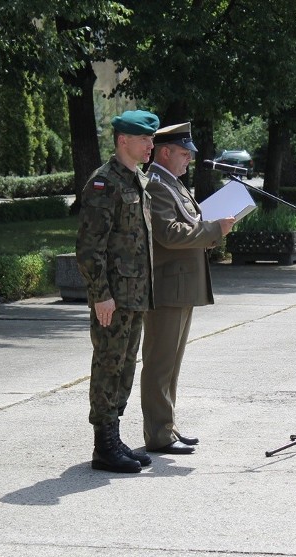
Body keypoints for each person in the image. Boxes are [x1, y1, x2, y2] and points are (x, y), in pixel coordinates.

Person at [140, 122, 235, 454]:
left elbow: (188, 225)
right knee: (159, 362)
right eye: (184, 153)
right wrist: (213, 230)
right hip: (168, 287)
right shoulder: (156, 186)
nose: (189, 160)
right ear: (165, 153)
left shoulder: (173, 184)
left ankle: (166, 426)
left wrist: (211, 228)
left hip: (181, 286)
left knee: (172, 363)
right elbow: (168, 233)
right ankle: (157, 433)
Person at [76, 109, 160, 473]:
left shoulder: (137, 180)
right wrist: (100, 294)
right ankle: (103, 445)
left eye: (152, 139)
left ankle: (114, 435)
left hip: (136, 293)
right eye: (145, 139)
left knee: (125, 365)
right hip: (114, 295)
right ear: (123, 140)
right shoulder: (103, 183)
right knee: (108, 364)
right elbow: (89, 247)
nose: (151, 145)